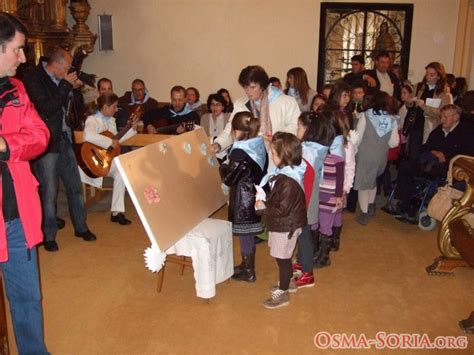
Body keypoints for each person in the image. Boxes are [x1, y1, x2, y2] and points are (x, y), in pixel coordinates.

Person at [0, 11, 49, 354]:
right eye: (17, 49)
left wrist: (6, 145)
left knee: (28, 298)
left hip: (16, 216)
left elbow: (40, 136)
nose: (22, 57)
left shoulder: (17, 88)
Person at [25, 46, 97, 252]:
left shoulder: (63, 79)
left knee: (75, 188)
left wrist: (75, 89)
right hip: (46, 143)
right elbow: (47, 108)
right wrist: (66, 85)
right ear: (55, 65)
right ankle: (48, 236)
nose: (68, 71)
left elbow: (77, 109)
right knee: (49, 193)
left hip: (65, 139)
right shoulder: (34, 79)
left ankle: (81, 227)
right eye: (66, 68)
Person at [256, 132, 307, 309]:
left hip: (286, 227)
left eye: (274, 153)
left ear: (283, 156)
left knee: (283, 259)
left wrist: (263, 207)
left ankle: (283, 293)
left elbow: (281, 209)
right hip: (286, 224)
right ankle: (289, 282)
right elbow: (281, 201)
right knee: (283, 257)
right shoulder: (287, 174)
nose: (271, 155)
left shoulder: (287, 182)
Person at [213, 65, 300, 156]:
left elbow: (295, 127)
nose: (248, 92)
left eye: (252, 87)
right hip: (251, 157)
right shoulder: (241, 104)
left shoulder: (286, 102)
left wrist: (276, 138)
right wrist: (219, 144)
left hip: (279, 156)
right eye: (245, 87)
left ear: (263, 86)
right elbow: (231, 129)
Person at [219, 112, 266, 282]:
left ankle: (249, 271)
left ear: (237, 131)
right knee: (248, 235)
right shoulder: (258, 144)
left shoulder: (239, 152)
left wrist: (222, 166)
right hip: (254, 195)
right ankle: (246, 265)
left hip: (243, 200)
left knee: (245, 235)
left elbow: (229, 179)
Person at [83, 93, 137, 225]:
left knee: (121, 172)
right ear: (105, 107)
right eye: (114, 106)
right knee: (121, 168)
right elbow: (88, 136)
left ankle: (116, 212)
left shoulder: (111, 120)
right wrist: (108, 142)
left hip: (105, 161)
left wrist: (132, 129)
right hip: (92, 162)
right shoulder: (92, 120)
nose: (116, 109)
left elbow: (116, 141)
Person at [293, 112, 333, 288]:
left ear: (309, 129)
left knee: (304, 235)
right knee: (304, 232)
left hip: (306, 196)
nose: (297, 129)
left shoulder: (307, 150)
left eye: (299, 126)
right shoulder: (316, 147)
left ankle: (308, 273)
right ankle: (302, 263)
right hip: (310, 194)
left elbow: (300, 175)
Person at [354, 92, 400, 225]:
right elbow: (394, 142)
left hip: (365, 155)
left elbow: (358, 137)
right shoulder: (392, 119)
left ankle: (364, 212)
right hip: (381, 157)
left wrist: (353, 150)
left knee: (363, 184)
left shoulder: (365, 115)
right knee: (372, 180)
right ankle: (370, 205)